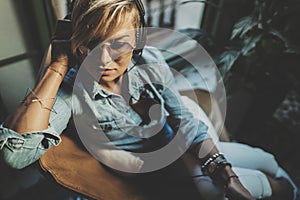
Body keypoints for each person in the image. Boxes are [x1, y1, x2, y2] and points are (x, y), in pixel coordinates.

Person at [0, 0, 298, 199]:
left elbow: (184, 119)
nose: (102, 59)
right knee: (273, 187)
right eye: (90, 43)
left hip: (184, 141)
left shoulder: (149, 60)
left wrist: (225, 171)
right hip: (168, 170)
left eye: (117, 44)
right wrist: (57, 64)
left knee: (268, 161)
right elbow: (16, 156)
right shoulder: (72, 93)